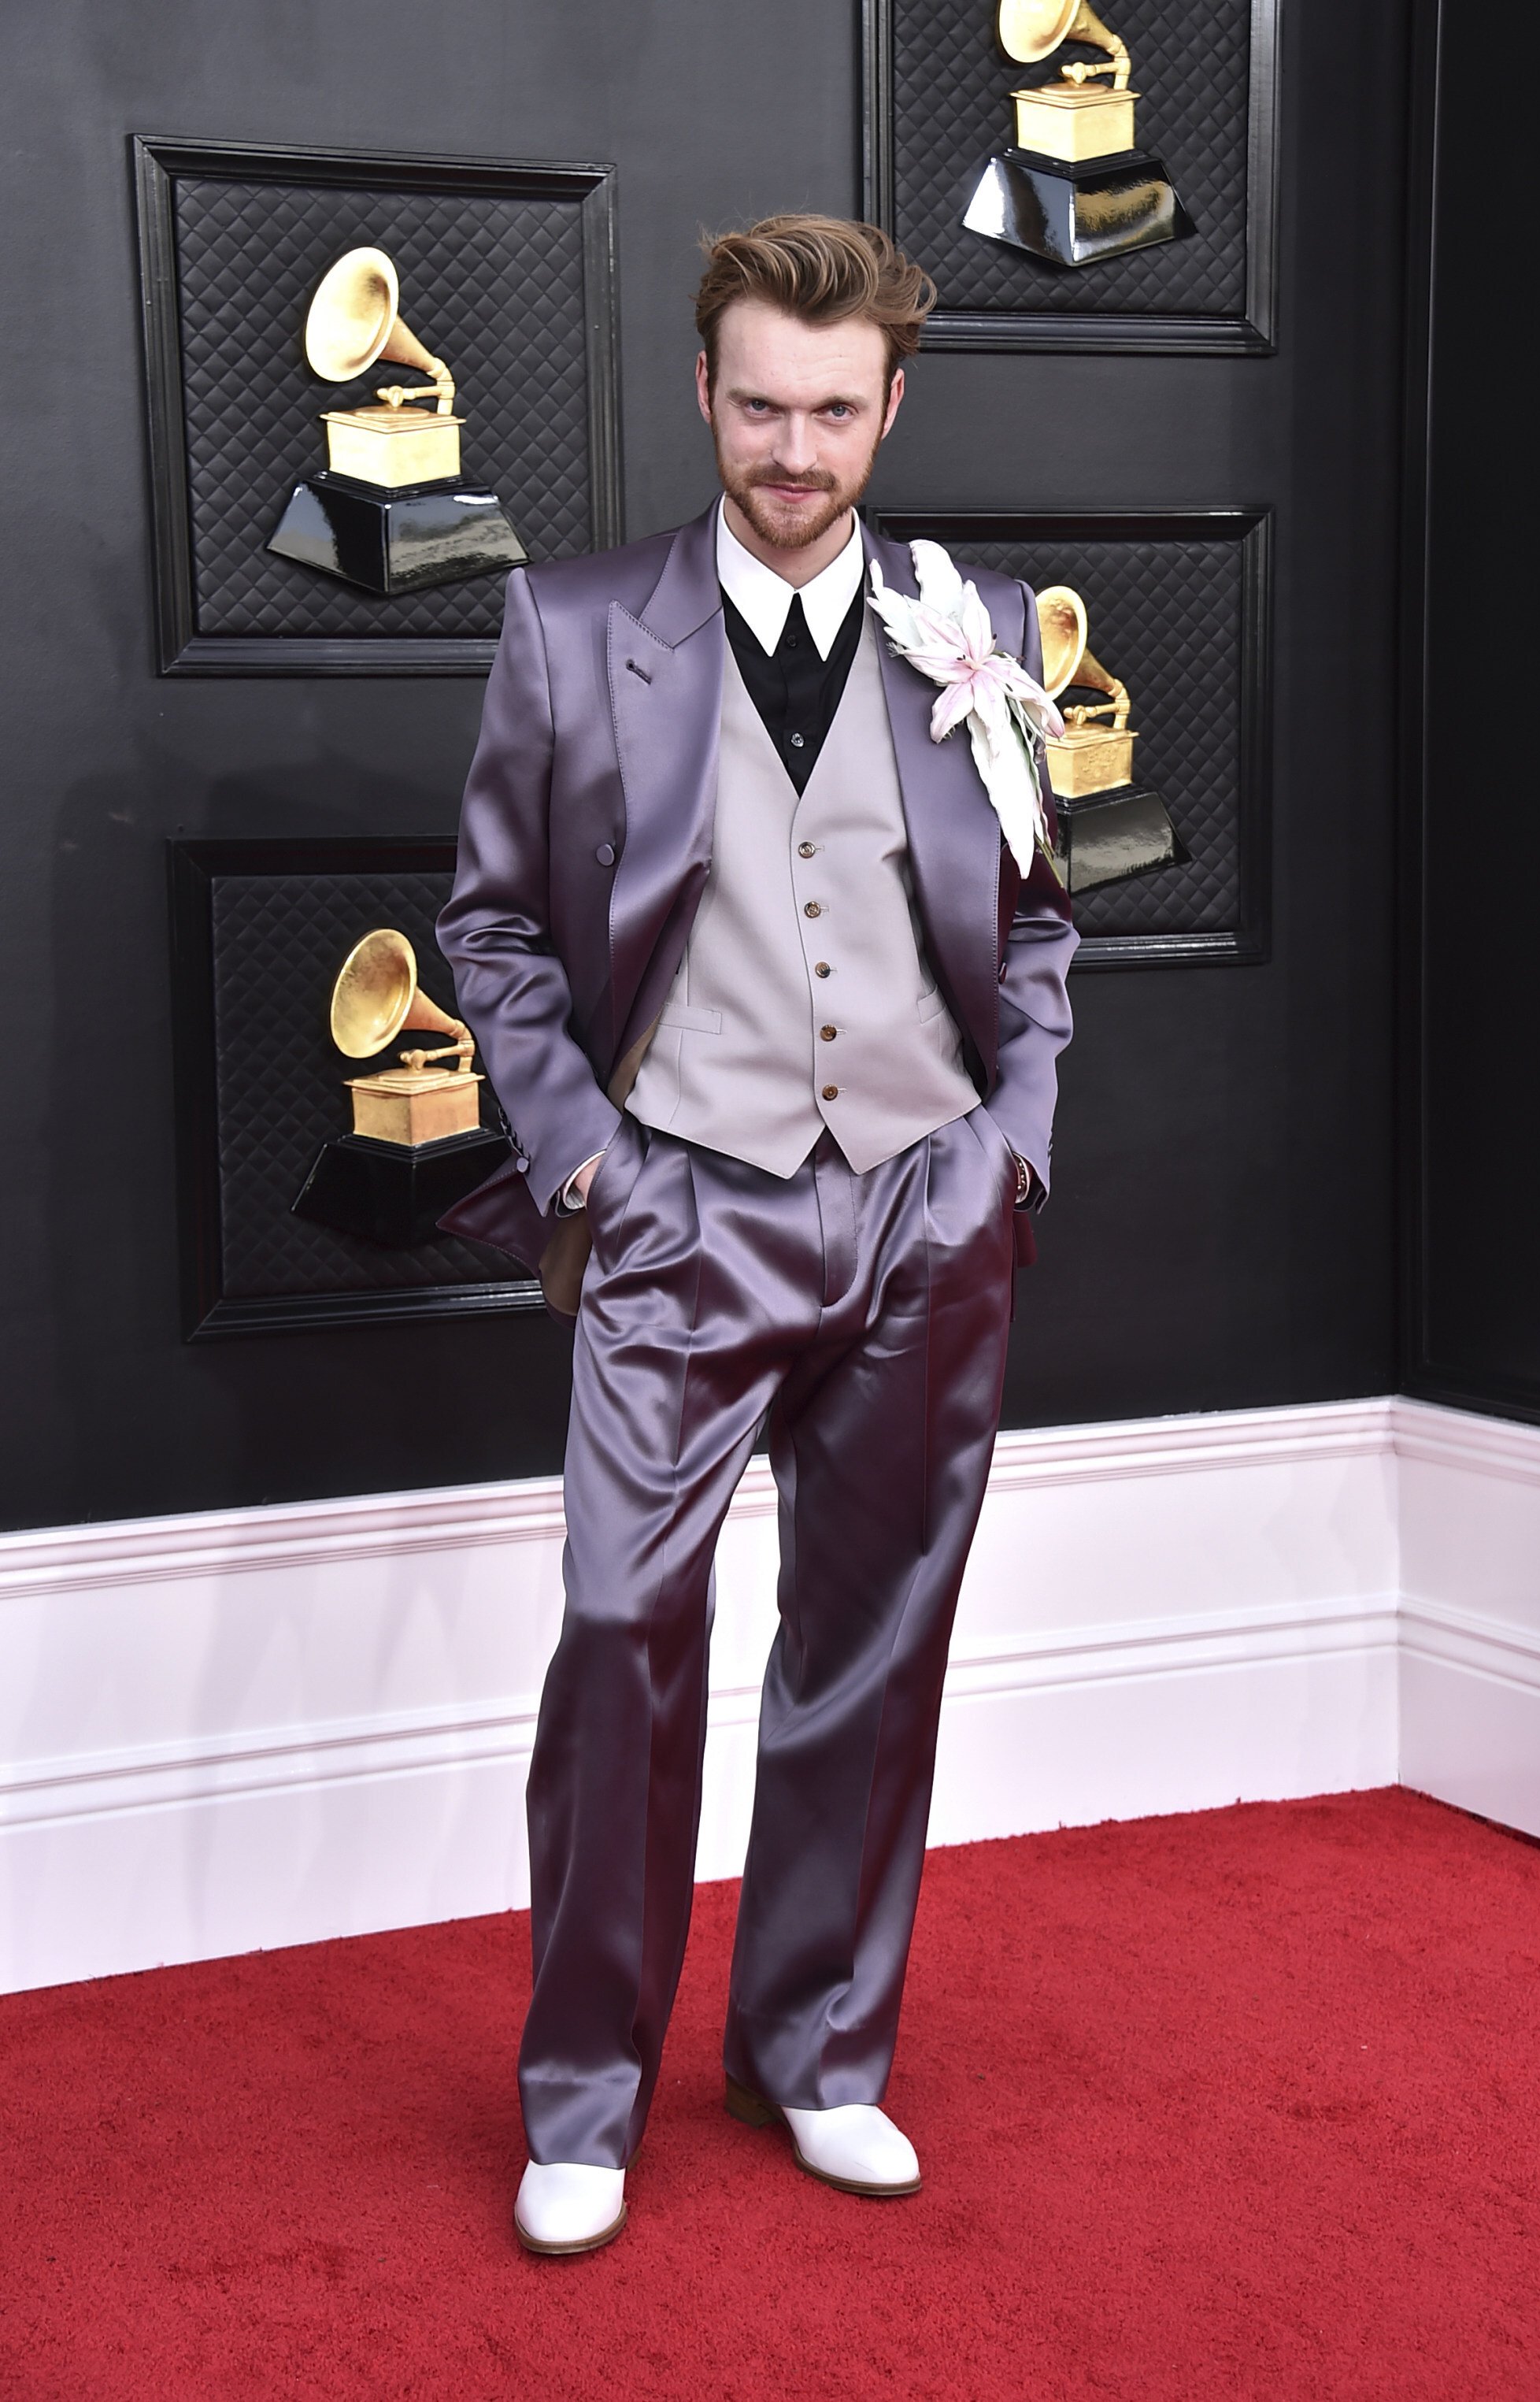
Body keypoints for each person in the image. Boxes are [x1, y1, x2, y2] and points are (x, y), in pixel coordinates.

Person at [437, 213, 1077, 2256]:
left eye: (833, 408)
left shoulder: (978, 622)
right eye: (759, 404)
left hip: (921, 1194)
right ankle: (586, 2089)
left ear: (891, 405)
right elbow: (496, 931)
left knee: (874, 1643)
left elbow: (1040, 922)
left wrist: (1012, 1150)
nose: (793, 447)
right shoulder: (572, 622)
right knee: (626, 1629)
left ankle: (812, 2047)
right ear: (707, 394)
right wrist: (588, 1164)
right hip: (678, 1196)